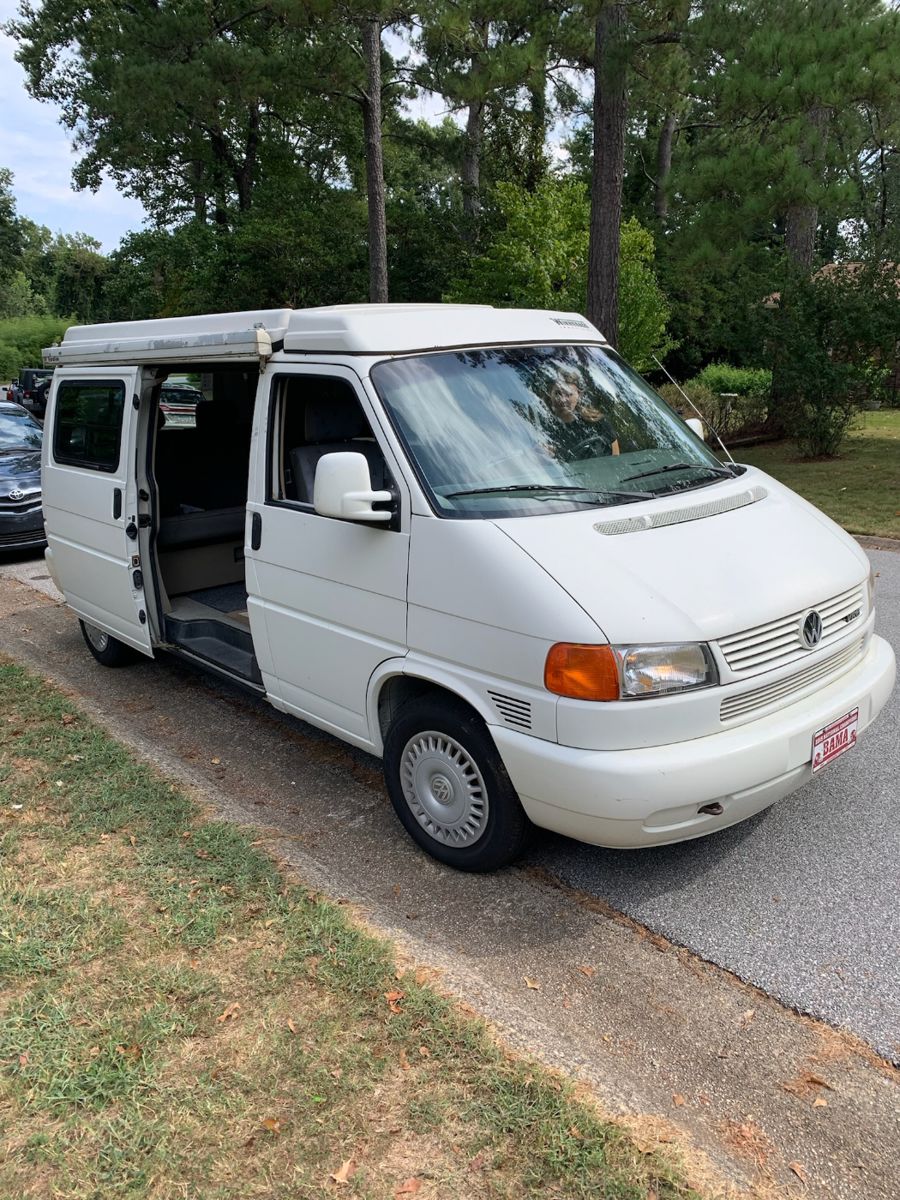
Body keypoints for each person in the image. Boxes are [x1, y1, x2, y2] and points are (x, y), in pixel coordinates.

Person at [544, 374, 620, 460]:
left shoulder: (597, 422)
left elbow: (616, 457)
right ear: (550, 394)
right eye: (558, 393)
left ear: (579, 395)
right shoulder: (543, 425)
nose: (562, 399)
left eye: (568, 394)